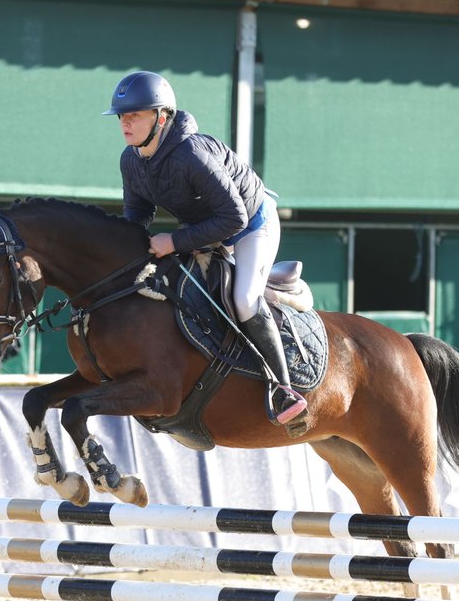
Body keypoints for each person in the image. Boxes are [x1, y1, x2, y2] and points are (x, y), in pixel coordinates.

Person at [103, 70, 308, 425]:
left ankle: (284, 389)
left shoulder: (191, 154)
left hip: (251, 223)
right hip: (206, 228)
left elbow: (235, 218)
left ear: (161, 117)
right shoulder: (130, 160)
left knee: (244, 299)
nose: (125, 123)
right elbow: (138, 213)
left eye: (135, 114)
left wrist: (175, 241)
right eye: (122, 116)